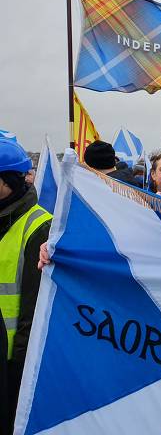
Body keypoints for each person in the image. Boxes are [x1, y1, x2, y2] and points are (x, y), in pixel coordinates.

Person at [0, 138, 51, 428]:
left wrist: (20, 366)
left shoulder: (39, 225)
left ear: (7, 181)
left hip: (13, 366)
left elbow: (35, 308)